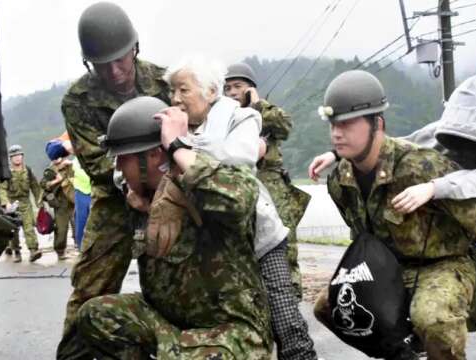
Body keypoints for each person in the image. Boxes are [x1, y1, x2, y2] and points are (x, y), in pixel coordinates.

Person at [309, 75, 476, 359]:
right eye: (334, 125)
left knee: (433, 318)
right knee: (329, 306)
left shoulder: (422, 167)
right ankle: (402, 352)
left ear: (378, 125)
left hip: (445, 263)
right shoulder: (340, 178)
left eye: (347, 124)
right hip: (390, 264)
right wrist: (337, 155)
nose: (337, 133)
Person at [76, 96, 272, 358]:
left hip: (229, 335)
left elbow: (242, 196)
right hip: (171, 327)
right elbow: (119, 180)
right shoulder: (141, 196)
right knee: (96, 314)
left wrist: (179, 147)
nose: (118, 167)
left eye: (124, 159)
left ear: (155, 154)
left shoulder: (202, 185)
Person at [160, 56, 317, 360]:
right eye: (172, 91)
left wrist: (178, 146)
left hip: (258, 236)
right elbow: (130, 165)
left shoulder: (241, 117)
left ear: (209, 91)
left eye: (183, 90)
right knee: (221, 321)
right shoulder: (167, 122)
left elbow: (238, 159)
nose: (175, 98)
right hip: (209, 246)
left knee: (284, 315)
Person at [56, 2, 170, 358]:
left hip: (172, 198)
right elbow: (96, 161)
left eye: (121, 59)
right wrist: (131, 189)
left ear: (135, 48)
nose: (116, 71)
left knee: (175, 286)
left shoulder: (166, 82)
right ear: (89, 63)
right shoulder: (78, 100)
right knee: (89, 288)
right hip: (115, 200)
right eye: (103, 65)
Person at [224, 62, 311, 299]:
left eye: (238, 86)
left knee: (283, 246)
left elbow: (285, 125)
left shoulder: (264, 113)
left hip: (271, 185)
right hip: (241, 186)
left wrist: (257, 104)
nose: (232, 92)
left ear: (250, 88)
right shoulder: (223, 118)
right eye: (227, 87)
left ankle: (289, 299)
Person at [0, 144, 42, 263]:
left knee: (29, 227)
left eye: (19, 155)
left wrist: (39, 201)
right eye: (14, 156)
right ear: (11, 158)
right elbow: (3, 189)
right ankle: (16, 251)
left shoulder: (28, 170)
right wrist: (6, 203)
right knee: (14, 230)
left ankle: (33, 250)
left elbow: (35, 186)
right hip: (12, 205)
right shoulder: (7, 172)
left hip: (25, 203)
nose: (17, 158)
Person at [43, 139, 76, 261]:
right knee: (61, 229)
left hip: (73, 200)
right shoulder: (50, 170)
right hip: (60, 203)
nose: (57, 159)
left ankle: (80, 246)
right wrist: (56, 181)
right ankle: (60, 250)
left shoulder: (70, 165)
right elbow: (44, 185)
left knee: (78, 225)